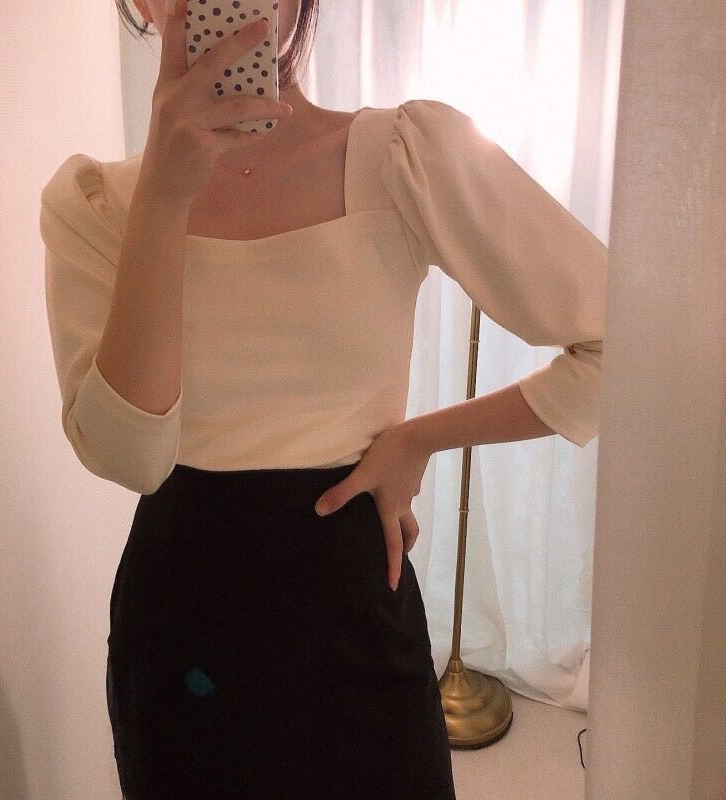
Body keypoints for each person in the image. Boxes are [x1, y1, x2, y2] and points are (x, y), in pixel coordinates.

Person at [39, 0, 608, 797]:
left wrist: (420, 437)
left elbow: (620, 345)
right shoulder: (95, 206)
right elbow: (132, 457)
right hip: (181, 622)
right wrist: (164, 197)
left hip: (353, 613)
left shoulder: (405, 156)